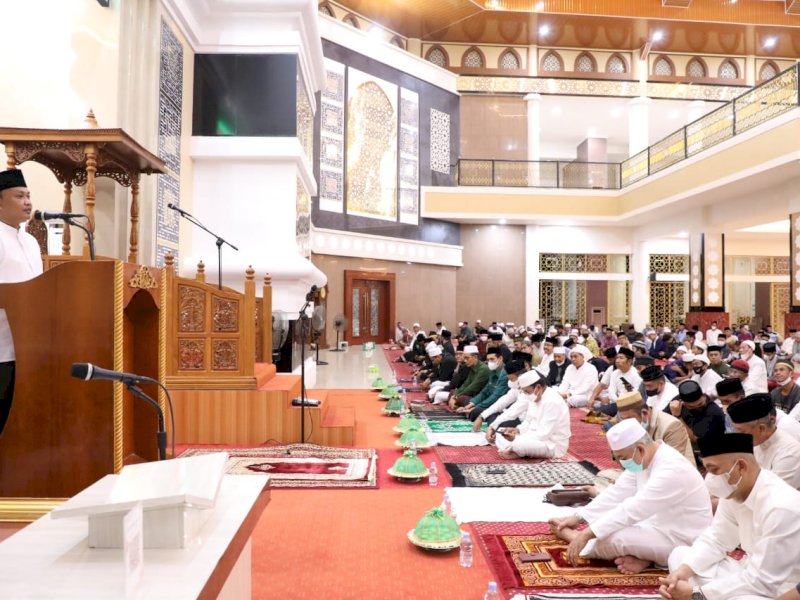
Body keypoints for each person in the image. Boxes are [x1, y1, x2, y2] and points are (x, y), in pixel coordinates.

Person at [550, 419, 711, 575]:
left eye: (622, 457)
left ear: (640, 448)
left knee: (614, 537)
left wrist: (585, 534)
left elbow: (633, 509)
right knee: (611, 522)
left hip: (682, 540)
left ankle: (573, 537)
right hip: (657, 525)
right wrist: (578, 517)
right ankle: (646, 557)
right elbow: (617, 493)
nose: (621, 463)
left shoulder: (671, 469)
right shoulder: (647, 458)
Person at [661, 433, 800, 600]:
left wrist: (696, 594)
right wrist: (682, 572)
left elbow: (763, 582)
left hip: (780, 589)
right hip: (746, 573)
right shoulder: (736, 491)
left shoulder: (781, 506)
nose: (710, 478)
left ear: (741, 466)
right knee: (681, 555)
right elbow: (717, 539)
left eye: (714, 470)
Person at [0, 169, 43, 435]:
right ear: (0, 201)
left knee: (22, 420)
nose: (27, 202)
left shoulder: (31, 241)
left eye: (28, 195)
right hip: (2, 345)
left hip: (30, 345)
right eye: (19, 196)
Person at [727, 393, 800, 489]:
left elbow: (774, 495)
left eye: (742, 431)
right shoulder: (757, 443)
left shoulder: (790, 453)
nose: (739, 436)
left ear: (762, 428)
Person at [494, 369, 571, 459]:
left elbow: (544, 434)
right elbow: (528, 421)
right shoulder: (534, 396)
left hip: (551, 445)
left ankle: (516, 449)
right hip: (532, 437)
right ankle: (515, 449)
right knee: (500, 432)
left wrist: (517, 438)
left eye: (526, 391)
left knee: (519, 443)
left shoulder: (552, 401)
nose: (525, 395)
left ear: (538, 387)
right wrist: (517, 430)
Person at [616, 390, 695, 465]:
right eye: (623, 419)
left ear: (645, 413)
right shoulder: (632, 427)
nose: (626, 424)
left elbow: (673, 463)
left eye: (629, 419)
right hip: (647, 470)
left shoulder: (671, 426)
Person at [669, 380, 726, 451]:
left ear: (704, 396)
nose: (697, 408)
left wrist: (677, 417)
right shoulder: (678, 402)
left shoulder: (713, 412)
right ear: (683, 402)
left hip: (709, 450)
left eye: (700, 404)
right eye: (691, 407)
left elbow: (694, 441)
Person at [476, 358, 528, 433]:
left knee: (500, 425)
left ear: (520, 376)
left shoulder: (529, 388)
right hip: (516, 418)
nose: (510, 382)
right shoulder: (517, 386)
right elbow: (502, 402)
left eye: (511, 379)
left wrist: (492, 426)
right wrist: (482, 416)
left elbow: (514, 410)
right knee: (484, 413)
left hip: (525, 423)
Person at [457, 347, 508, 421]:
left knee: (476, 411)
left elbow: (496, 396)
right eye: (488, 360)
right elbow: (484, 392)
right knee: (467, 402)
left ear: (500, 358)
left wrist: (476, 407)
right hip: (487, 402)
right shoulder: (492, 371)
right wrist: (470, 405)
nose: (489, 362)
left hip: (498, 405)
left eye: (492, 359)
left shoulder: (505, 373)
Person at [447, 345, 490, 409]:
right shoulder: (472, 367)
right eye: (464, 358)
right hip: (470, 394)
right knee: (453, 392)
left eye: (467, 358)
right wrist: (455, 395)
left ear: (475, 357)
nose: (465, 361)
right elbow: (466, 384)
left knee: (460, 398)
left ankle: (457, 405)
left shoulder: (483, 369)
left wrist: (456, 397)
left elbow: (472, 388)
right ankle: (456, 405)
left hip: (477, 396)